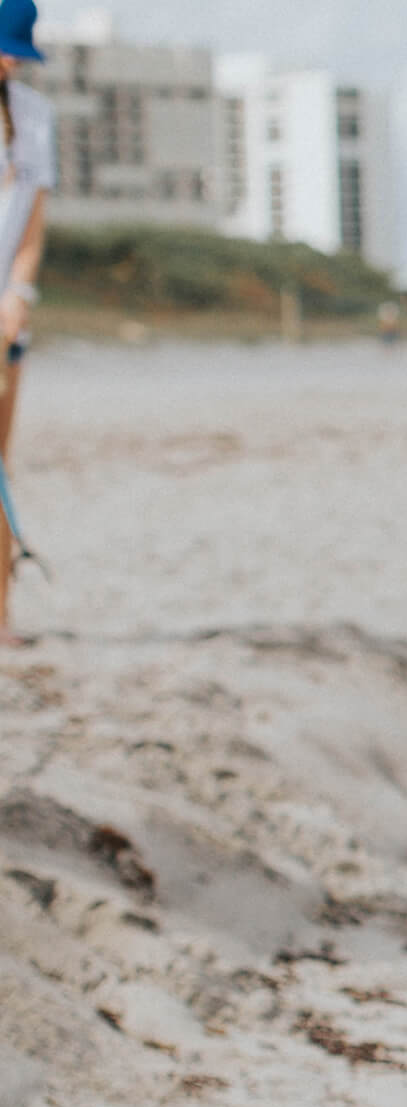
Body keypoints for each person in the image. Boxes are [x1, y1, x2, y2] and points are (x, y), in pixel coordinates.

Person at [0, 0, 54, 650]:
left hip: (5, 317)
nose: (10, 60)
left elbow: (33, 221)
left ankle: (2, 614)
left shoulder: (35, 116)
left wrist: (18, 294)